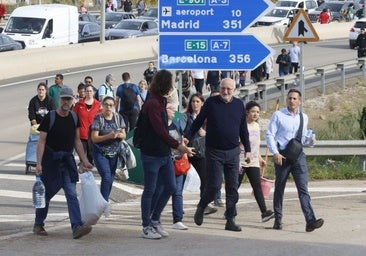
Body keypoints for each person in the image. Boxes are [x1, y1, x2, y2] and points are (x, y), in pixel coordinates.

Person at [187, 78, 251, 232]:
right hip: (214, 151)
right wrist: (187, 136)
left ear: (234, 90)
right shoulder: (211, 102)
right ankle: (202, 206)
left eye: (229, 89)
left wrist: (248, 149)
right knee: (214, 185)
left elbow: (243, 129)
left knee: (232, 188)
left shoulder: (239, 105)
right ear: (220, 88)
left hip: (233, 152)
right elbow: (198, 122)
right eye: (223, 88)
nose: (226, 92)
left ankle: (230, 219)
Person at [138, 69, 194, 239]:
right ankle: (146, 226)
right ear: (165, 85)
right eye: (170, 84)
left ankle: (155, 220)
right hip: (151, 154)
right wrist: (179, 146)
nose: (172, 87)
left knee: (170, 186)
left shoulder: (160, 101)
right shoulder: (153, 103)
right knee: (150, 190)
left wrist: (177, 146)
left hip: (163, 153)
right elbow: (160, 131)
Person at [33, 87, 94, 239]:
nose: (66, 101)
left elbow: (77, 141)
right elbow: (41, 141)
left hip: (67, 161)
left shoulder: (74, 117)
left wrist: (84, 160)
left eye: (69, 99)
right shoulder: (50, 117)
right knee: (46, 195)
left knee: (71, 194)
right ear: (59, 100)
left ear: (72, 100)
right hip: (50, 162)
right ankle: (38, 223)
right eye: (64, 99)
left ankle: (76, 227)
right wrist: (38, 163)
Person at [266, 89, 324, 232]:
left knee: (303, 189)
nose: (291, 101)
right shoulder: (278, 115)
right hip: (283, 156)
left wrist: (310, 141)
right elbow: (269, 134)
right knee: (280, 188)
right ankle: (278, 219)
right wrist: (275, 152)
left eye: (294, 99)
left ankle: (310, 220)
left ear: (300, 101)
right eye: (289, 98)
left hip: (298, 156)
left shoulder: (303, 117)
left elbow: (302, 138)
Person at [180, 93, 218, 215]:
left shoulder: (208, 117)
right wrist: (184, 149)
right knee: (180, 179)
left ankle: (204, 204)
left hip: (201, 152)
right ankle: (178, 205)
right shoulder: (186, 117)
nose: (195, 104)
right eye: (193, 102)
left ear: (202, 103)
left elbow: (216, 132)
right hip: (187, 151)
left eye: (197, 101)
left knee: (205, 179)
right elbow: (180, 133)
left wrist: (206, 133)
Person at [153, 103, 188, 231]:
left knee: (177, 192)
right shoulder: (159, 126)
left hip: (178, 161)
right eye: (170, 108)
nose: (174, 110)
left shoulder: (177, 125)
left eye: (174, 108)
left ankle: (177, 219)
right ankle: (154, 217)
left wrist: (185, 154)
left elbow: (181, 140)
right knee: (160, 190)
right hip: (164, 162)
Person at [237, 101, 274, 223]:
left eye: (257, 112)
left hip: (253, 161)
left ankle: (264, 212)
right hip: (241, 161)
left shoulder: (257, 126)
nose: (255, 114)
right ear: (247, 112)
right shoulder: (241, 125)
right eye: (253, 111)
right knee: (234, 188)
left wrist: (260, 158)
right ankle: (229, 211)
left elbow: (255, 145)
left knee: (257, 187)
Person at [90, 96, 126, 201]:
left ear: (114, 106)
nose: (108, 107)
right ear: (102, 106)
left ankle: (103, 200)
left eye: (111, 105)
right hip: (100, 152)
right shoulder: (98, 118)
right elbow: (94, 138)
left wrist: (118, 135)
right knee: (106, 177)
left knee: (110, 178)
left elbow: (124, 135)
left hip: (114, 153)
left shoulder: (118, 118)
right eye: (106, 105)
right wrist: (108, 136)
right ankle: (103, 202)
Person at [73, 84, 102, 165]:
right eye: (87, 91)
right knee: (83, 157)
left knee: (91, 156)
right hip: (81, 134)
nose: (89, 93)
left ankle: (89, 173)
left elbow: (101, 118)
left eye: (90, 91)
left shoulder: (98, 104)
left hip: (93, 134)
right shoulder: (79, 104)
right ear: (84, 92)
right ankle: (84, 172)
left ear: (93, 92)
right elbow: (74, 117)